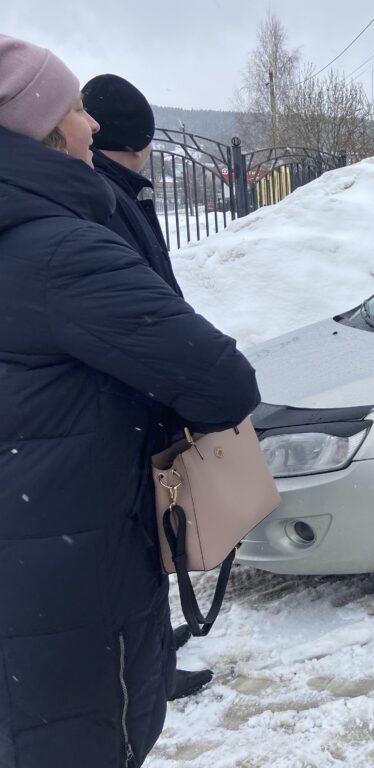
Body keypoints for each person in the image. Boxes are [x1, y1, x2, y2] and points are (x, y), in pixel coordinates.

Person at [0, 34, 260, 767]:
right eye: (77, 108)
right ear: (42, 127)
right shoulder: (60, 251)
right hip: (74, 574)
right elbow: (222, 379)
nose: (91, 125)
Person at [81, 73, 211, 702]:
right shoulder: (107, 203)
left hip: (134, 401)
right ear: (138, 140)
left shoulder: (120, 194)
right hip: (128, 404)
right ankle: (153, 672)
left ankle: (157, 641)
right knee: (142, 538)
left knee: (153, 531)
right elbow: (143, 312)